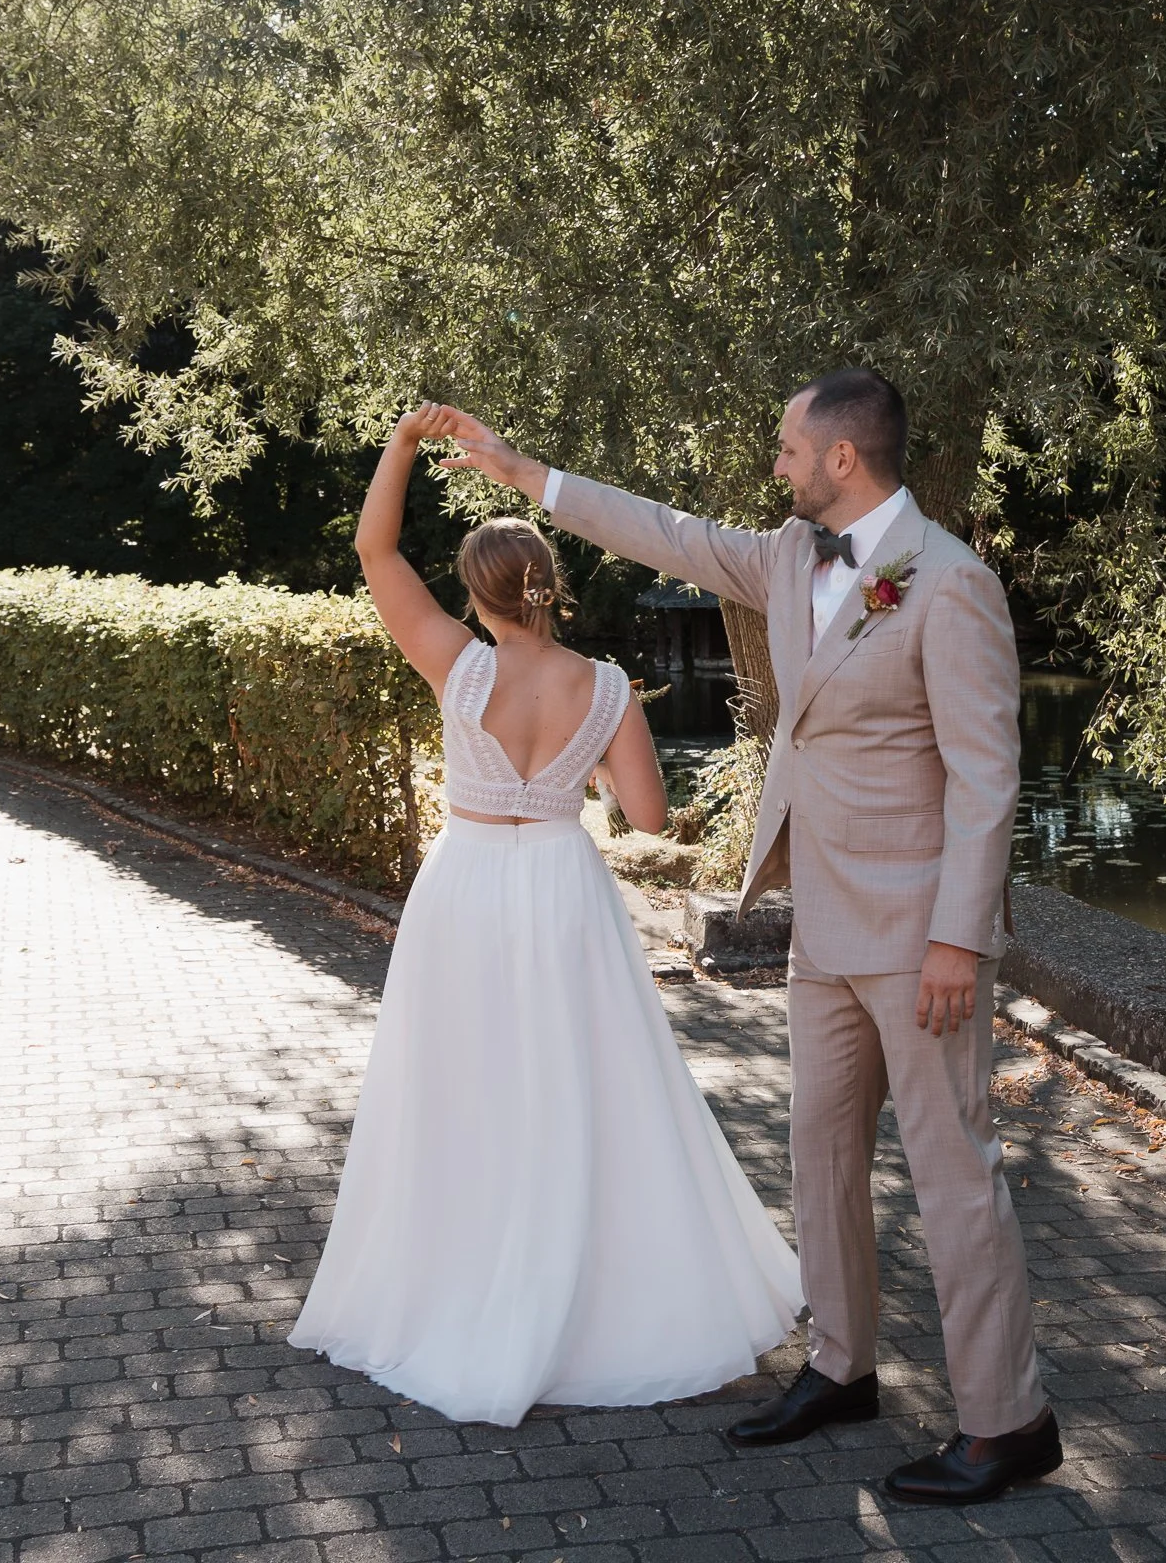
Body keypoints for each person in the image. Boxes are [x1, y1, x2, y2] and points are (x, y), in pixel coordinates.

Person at [428, 370, 1062, 1504]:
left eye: (786, 448)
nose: (775, 464)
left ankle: (1005, 1420)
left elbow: (984, 777)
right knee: (818, 1152)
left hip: (922, 939)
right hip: (819, 920)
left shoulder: (950, 584)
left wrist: (960, 939)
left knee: (951, 1170)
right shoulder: (785, 557)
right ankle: (840, 1366)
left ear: (843, 461)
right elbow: (663, 532)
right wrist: (524, 473)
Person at [287, 402, 803, 1427]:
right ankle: (591, 1286)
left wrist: (401, 443)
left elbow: (373, 545)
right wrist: (592, 760)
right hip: (564, 882)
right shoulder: (607, 685)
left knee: (462, 1082)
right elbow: (648, 816)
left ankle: (464, 1277)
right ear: (549, 588)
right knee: (579, 1081)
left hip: (467, 882)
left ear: (477, 596)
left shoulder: (454, 660)